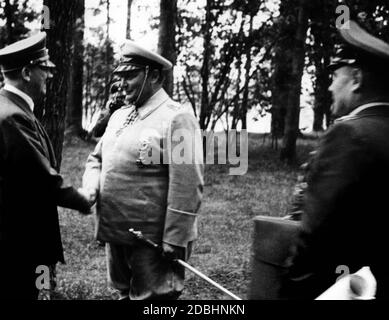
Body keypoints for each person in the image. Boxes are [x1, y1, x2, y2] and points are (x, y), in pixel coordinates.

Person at [82, 40, 204, 300]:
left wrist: (175, 238)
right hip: (116, 233)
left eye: (131, 76)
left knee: (154, 299)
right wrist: (91, 188)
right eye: (121, 76)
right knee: (124, 293)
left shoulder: (177, 117)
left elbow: (188, 183)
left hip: (152, 240)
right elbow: (96, 159)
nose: (122, 83)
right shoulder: (119, 116)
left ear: (155, 77)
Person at [282, 20, 389, 300]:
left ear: (356, 78)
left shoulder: (349, 134)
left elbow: (316, 241)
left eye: (335, 77)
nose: (330, 87)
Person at [0, 32, 93, 300]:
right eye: (45, 69)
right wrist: (82, 199)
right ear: (27, 73)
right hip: (17, 244)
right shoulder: (12, 117)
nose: (49, 76)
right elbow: (40, 179)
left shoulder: (13, 108)